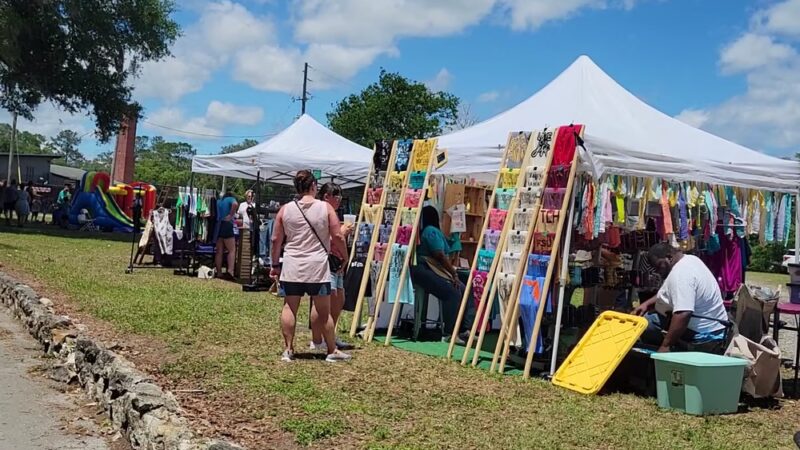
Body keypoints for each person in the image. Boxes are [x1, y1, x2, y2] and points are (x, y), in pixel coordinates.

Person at [270, 170, 351, 363]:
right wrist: (345, 256)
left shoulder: (285, 209)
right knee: (324, 311)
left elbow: (275, 239)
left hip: (292, 264)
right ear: (314, 186)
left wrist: (274, 264)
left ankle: (288, 349)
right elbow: (338, 236)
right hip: (317, 266)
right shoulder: (325, 208)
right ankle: (331, 350)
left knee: (290, 307)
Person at [632, 242, 729, 353]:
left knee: (646, 324)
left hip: (702, 334)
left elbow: (683, 313)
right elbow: (668, 292)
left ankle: (665, 354)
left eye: (659, 266)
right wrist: (647, 304)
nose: (658, 272)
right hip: (713, 326)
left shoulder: (680, 275)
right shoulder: (689, 259)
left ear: (669, 257)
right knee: (648, 318)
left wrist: (665, 346)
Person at [410, 205, 475, 344]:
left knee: (465, 287)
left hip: (430, 268)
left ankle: (464, 328)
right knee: (453, 293)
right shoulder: (430, 231)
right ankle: (449, 332)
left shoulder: (429, 231)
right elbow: (439, 254)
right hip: (425, 268)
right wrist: (453, 273)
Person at [310, 182, 354, 351]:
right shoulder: (321, 212)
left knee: (338, 300)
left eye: (340, 196)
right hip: (325, 260)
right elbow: (325, 240)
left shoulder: (332, 213)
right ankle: (317, 339)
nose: (339, 200)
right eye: (336, 196)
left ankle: (330, 335)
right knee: (322, 302)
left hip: (337, 262)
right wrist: (342, 233)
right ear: (326, 196)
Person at [215, 191, 239, 281]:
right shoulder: (231, 199)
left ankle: (219, 272)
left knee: (219, 251)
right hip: (227, 224)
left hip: (218, 225)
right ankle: (230, 271)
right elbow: (235, 204)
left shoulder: (219, 201)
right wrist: (231, 214)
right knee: (232, 250)